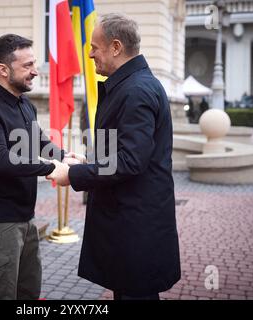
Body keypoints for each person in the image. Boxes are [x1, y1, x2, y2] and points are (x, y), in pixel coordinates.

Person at [48, 13, 181, 300]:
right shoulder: (131, 85)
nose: (91, 53)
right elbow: (125, 152)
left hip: (135, 226)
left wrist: (72, 175)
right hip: (130, 222)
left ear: (116, 47)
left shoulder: (136, 90)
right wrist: (89, 163)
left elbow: (131, 161)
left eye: (95, 47)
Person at [0, 34, 68, 300]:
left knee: (29, 294)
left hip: (26, 218)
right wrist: (49, 169)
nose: (36, 71)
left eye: (35, 63)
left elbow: (38, 141)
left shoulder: (25, 104)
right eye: (28, 65)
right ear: (3, 69)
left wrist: (65, 158)